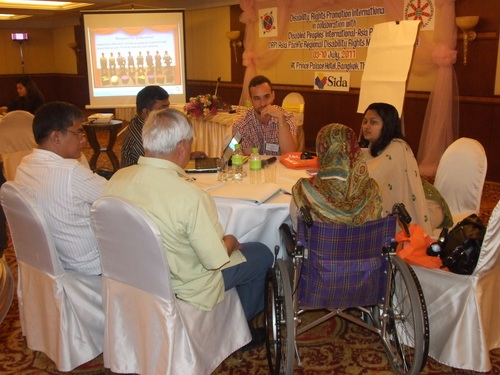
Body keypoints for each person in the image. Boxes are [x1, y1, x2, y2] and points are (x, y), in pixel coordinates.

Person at [106, 108, 274, 350]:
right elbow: (215, 259)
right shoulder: (189, 196)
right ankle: (233, 330)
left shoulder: (118, 179)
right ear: (183, 146)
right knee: (261, 254)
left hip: (134, 275)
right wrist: (231, 240)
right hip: (184, 285)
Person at [15, 101, 106, 275]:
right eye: (79, 132)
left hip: (51, 261)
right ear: (56, 137)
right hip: (90, 265)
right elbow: (118, 196)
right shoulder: (71, 172)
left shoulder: (23, 166)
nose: (83, 139)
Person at [359, 102, 452, 235]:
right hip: (401, 197)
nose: (366, 126)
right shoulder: (368, 146)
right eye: (365, 121)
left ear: (387, 125)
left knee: (410, 230)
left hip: (425, 203)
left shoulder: (398, 147)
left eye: (373, 122)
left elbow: (373, 177)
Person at [291, 123, 383, 230]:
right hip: (364, 246)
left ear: (322, 151)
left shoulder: (304, 191)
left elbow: (296, 228)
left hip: (320, 245)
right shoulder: (372, 191)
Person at [121, 85, 207, 168]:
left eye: (168, 106)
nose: (168, 111)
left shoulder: (147, 125)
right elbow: (160, 164)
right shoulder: (140, 136)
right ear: (146, 112)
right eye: (163, 108)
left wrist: (188, 155)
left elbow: (163, 156)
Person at [232, 75, 297, 155]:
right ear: (250, 100)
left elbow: (290, 153)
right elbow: (249, 160)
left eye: (266, 97)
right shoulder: (241, 125)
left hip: (281, 167)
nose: (263, 103)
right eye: (257, 98)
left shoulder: (287, 117)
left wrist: (281, 118)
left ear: (273, 95)